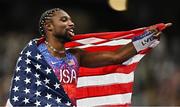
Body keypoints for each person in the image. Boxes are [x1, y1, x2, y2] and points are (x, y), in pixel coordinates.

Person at [6, 8, 171, 107]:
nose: (71, 23)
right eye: (64, 20)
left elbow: (117, 57)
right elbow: (22, 94)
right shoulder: (34, 55)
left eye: (71, 19)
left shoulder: (76, 56)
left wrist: (146, 38)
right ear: (48, 26)